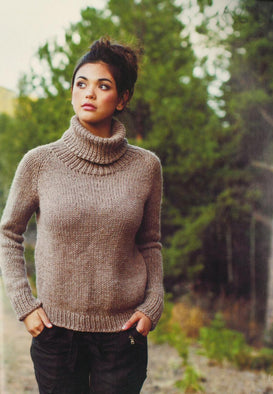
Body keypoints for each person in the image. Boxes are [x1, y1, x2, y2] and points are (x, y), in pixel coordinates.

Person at [0, 37, 164, 393]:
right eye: (81, 83)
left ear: (121, 99)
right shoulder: (39, 162)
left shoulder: (146, 167)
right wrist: (24, 304)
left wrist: (153, 304)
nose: (89, 93)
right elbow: (8, 234)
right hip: (56, 334)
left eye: (103, 85)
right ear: (72, 92)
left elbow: (150, 243)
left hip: (125, 335)